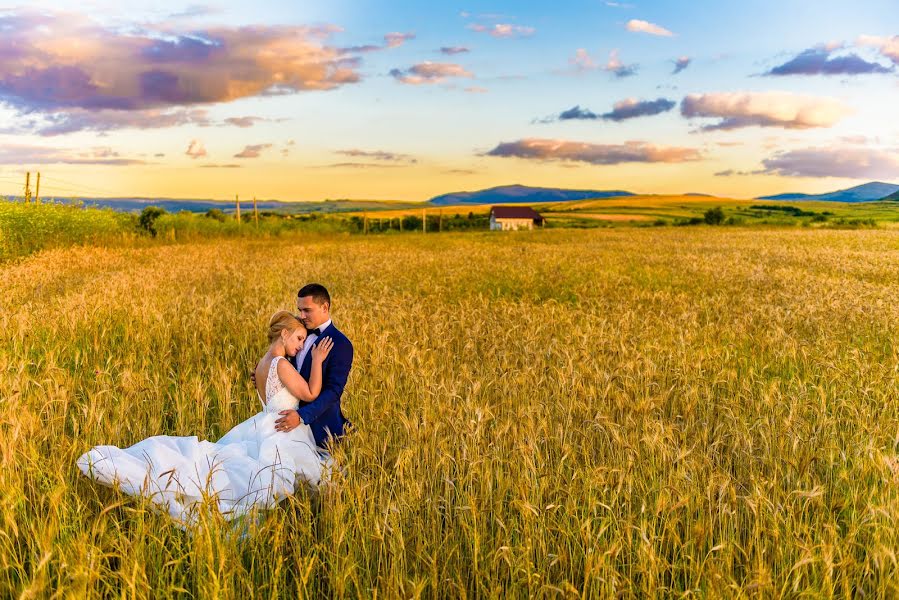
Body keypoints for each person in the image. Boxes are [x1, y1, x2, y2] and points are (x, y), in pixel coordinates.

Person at [76, 311, 333, 525]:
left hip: (263, 423)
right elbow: (310, 393)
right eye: (299, 338)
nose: (301, 346)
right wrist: (318, 360)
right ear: (284, 334)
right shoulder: (281, 364)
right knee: (267, 479)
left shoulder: (262, 363)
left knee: (241, 468)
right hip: (280, 428)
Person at [274, 283, 354, 449]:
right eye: (299, 310)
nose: (301, 315)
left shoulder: (341, 344)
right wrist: (268, 373)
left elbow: (333, 391)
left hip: (320, 427)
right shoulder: (297, 333)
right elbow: (284, 365)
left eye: (307, 310)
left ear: (324, 307)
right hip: (286, 426)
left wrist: (302, 416)